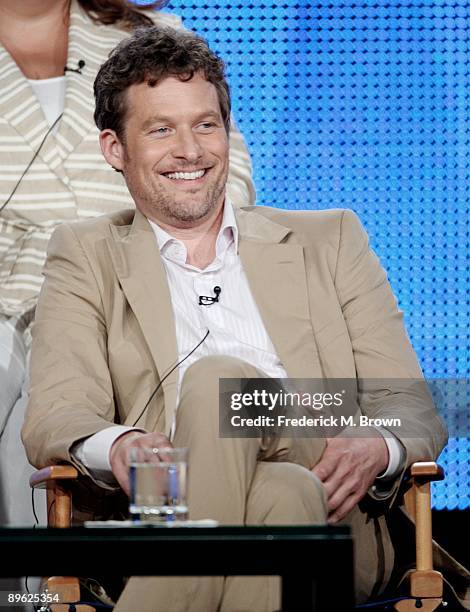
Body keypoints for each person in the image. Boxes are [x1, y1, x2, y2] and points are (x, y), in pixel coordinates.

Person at [22, 26, 448, 612]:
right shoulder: (84, 253)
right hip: (194, 510)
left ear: (227, 132)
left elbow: (411, 406)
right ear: (115, 149)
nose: (190, 150)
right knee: (281, 494)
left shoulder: (330, 240)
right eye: (161, 129)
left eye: (205, 125)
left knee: (225, 385)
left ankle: (172, 586)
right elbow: (56, 414)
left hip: (334, 505)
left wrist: (378, 442)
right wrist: (120, 446)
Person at [0, 0, 255, 526]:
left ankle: (49, 596)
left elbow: (223, 179)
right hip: (10, 300)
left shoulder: (153, 37)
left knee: (53, 406)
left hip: (135, 289)